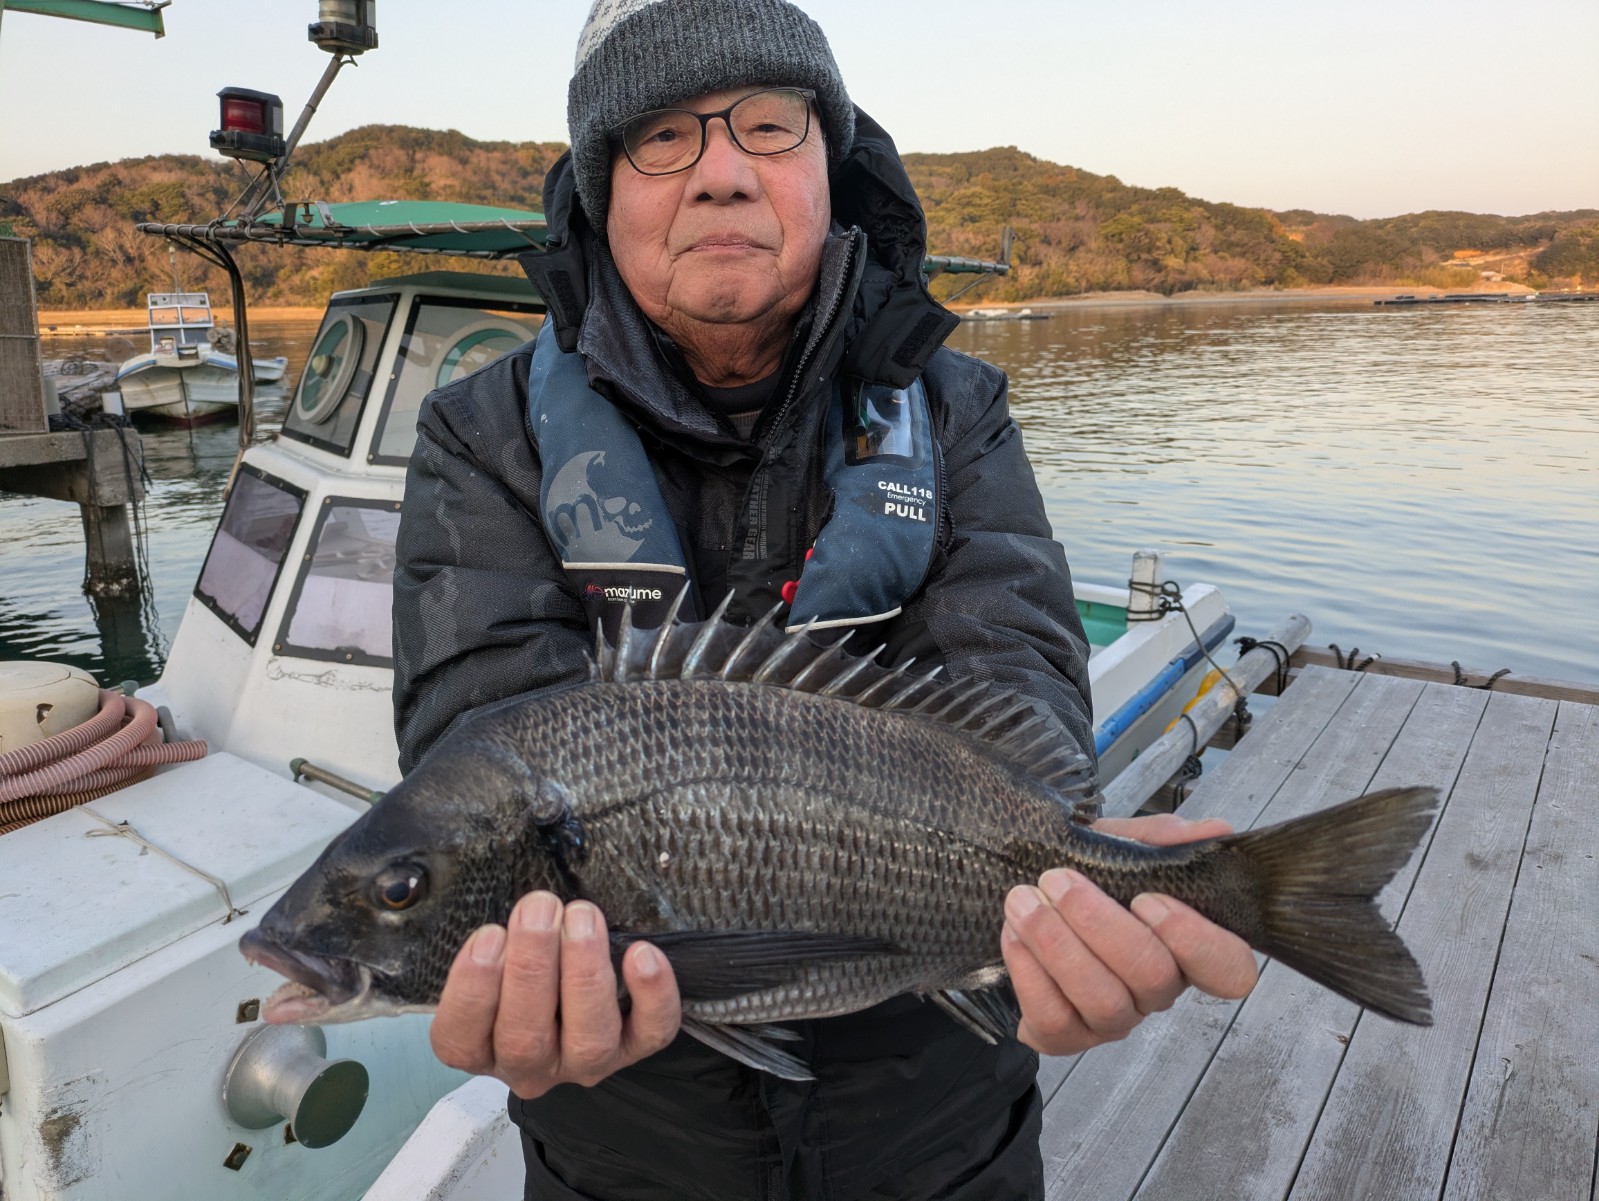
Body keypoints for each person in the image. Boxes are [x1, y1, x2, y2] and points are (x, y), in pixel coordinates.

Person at [392, 2, 1258, 1196]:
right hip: (625, 1152)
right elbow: (481, 756)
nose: (722, 173)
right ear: (600, 192)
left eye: (769, 123)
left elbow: (1013, 682)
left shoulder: (956, 409)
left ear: (828, 170)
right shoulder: (481, 435)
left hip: (942, 1132)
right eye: (662, 135)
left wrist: (1069, 901)